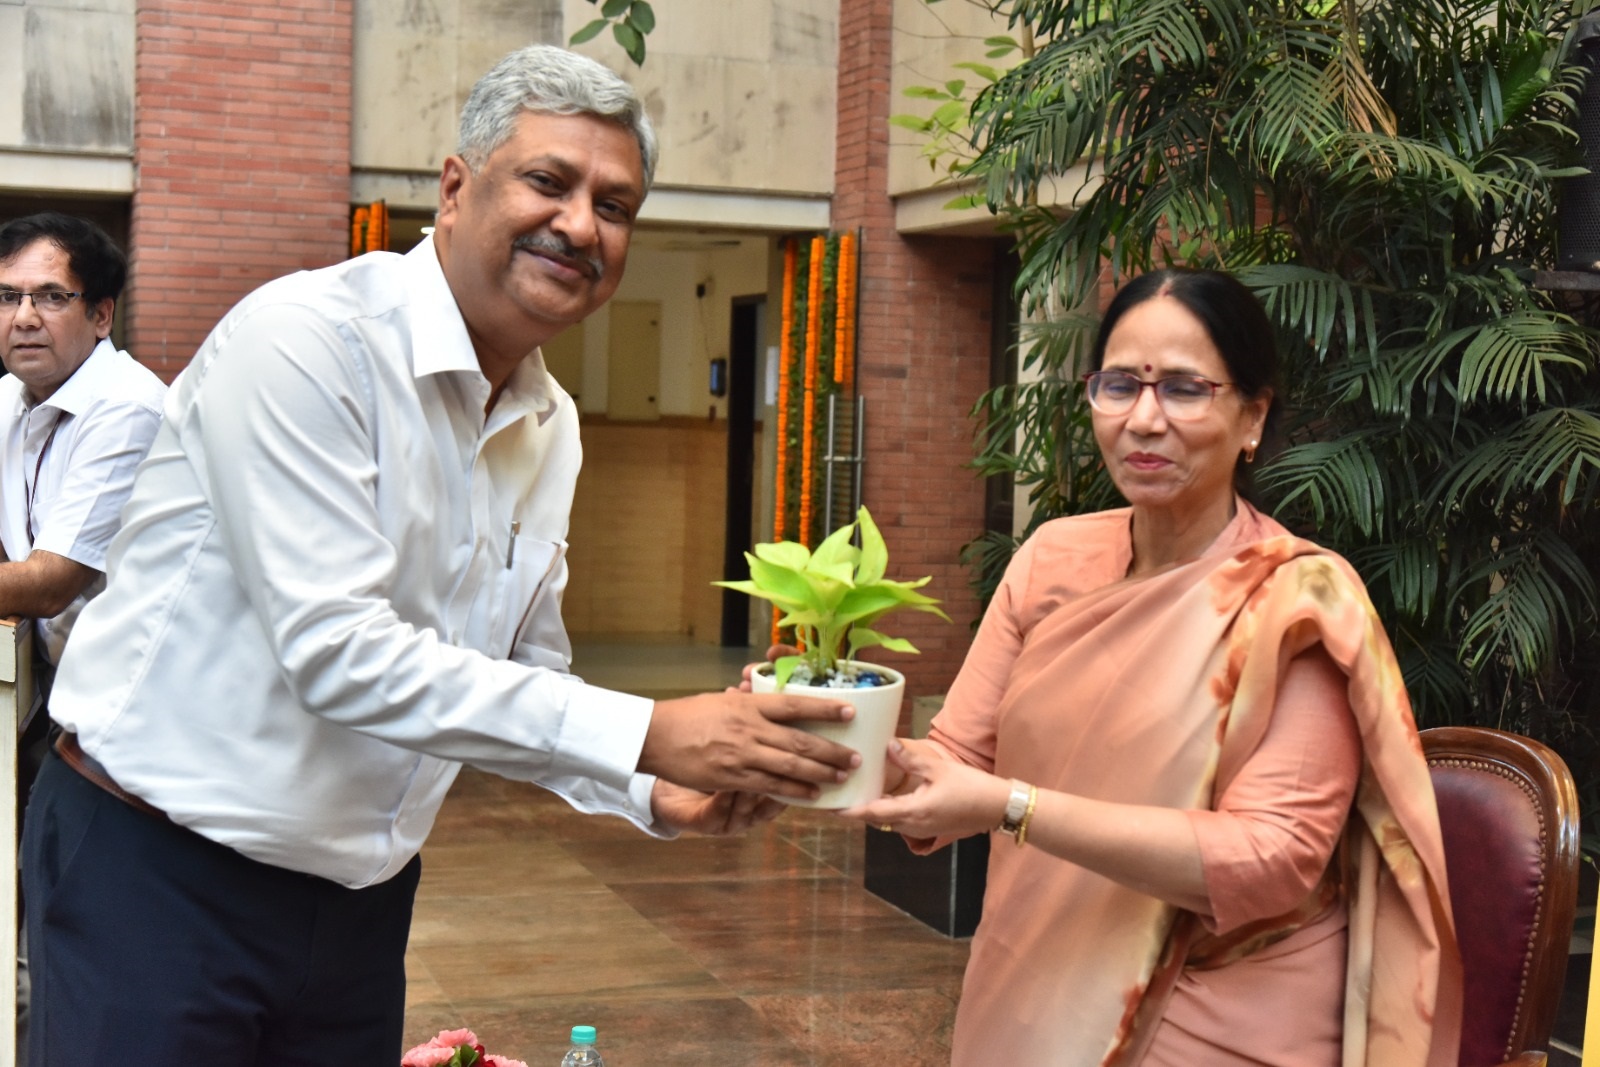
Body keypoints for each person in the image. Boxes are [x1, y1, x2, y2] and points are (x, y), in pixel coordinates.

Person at [20, 44, 859, 1067]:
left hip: (360, 907)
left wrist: (648, 788)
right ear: (455, 188)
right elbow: (338, 652)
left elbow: (522, 670)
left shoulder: (549, 422)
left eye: (616, 205)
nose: (581, 225)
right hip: (158, 876)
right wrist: (651, 732)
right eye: (548, 181)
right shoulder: (307, 341)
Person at [847, 269, 1462, 1066]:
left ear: (1253, 415)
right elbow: (957, 759)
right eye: (1120, 385)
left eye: (1183, 388)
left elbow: (1272, 861)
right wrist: (837, 744)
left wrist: (1013, 805)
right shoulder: (1050, 558)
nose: (1143, 418)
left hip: (1221, 1004)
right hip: (1038, 979)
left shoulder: (1295, 600)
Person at [0, 213, 165, 767]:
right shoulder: (8, 396)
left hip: (139, 706)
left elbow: (51, 583)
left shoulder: (127, 407)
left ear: (101, 315)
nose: (23, 318)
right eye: (7, 297)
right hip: (55, 684)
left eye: (51, 297)